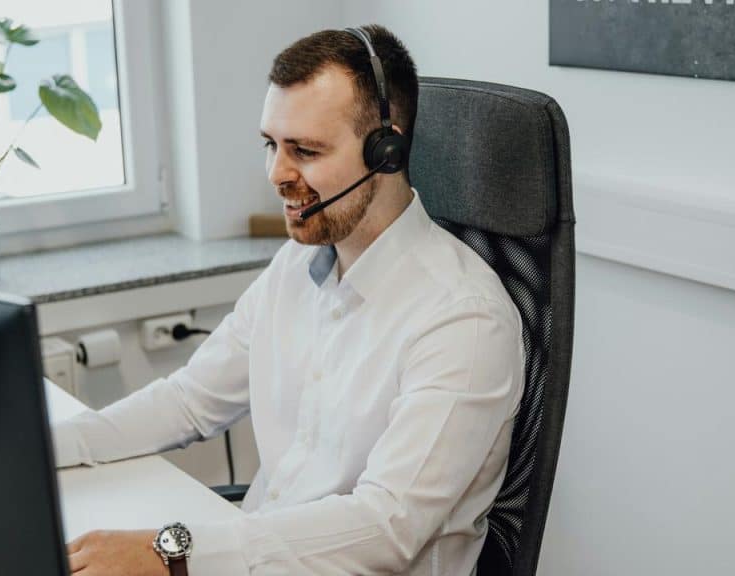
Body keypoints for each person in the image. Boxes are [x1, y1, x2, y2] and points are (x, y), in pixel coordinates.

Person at [53, 24, 524, 576]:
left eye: (305, 150)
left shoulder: (463, 319)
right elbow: (190, 400)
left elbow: (388, 526)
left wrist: (169, 551)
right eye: (271, 145)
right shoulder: (296, 266)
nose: (277, 174)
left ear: (387, 151)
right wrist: (39, 450)